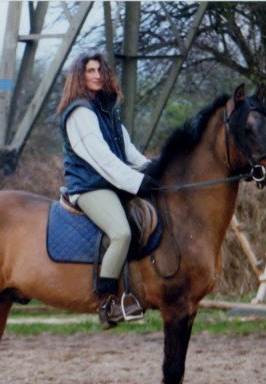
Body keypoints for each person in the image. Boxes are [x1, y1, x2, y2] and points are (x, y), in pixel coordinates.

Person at [57, 52, 158, 329]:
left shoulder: (107, 112)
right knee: (121, 233)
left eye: (100, 70)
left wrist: (153, 169)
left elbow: (129, 153)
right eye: (90, 71)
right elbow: (102, 159)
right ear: (80, 76)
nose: (97, 75)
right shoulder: (80, 112)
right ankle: (107, 302)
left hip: (111, 184)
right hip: (90, 187)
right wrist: (137, 182)